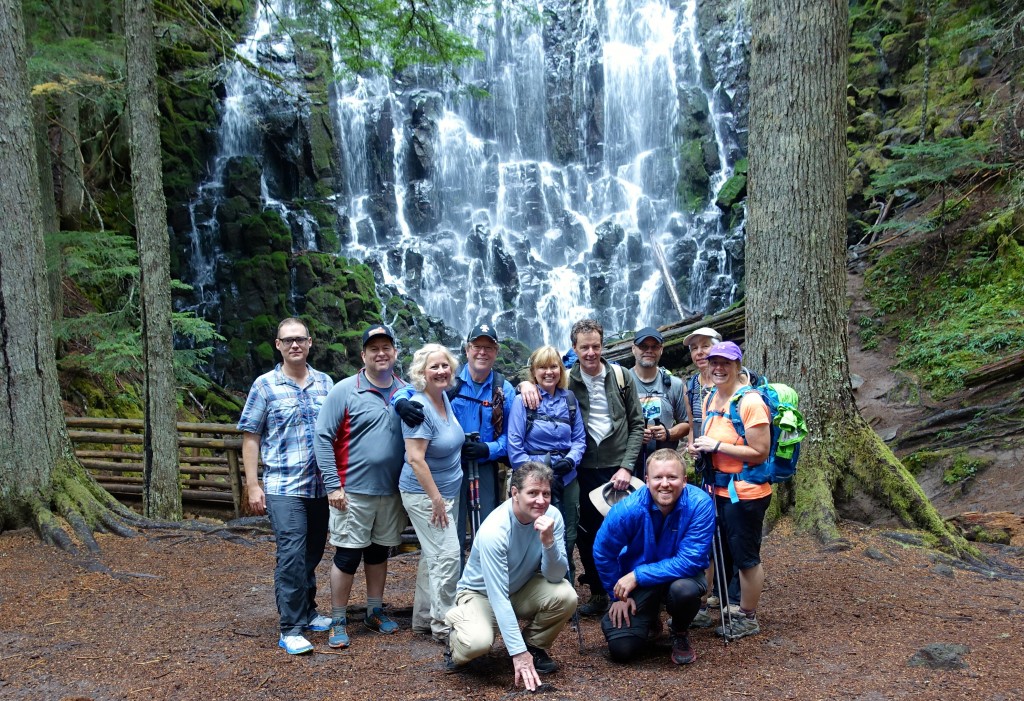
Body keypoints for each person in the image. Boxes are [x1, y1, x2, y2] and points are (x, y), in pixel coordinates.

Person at [238, 317, 335, 655]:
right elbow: (251, 436)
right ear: (277, 345)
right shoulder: (265, 385)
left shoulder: (326, 383)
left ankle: (308, 612)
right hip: (282, 485)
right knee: (292, 554)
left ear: (310, 343)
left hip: (320, 487)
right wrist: (253, 485)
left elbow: (337, 435)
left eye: (300, 339)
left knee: (313, 552)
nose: (295, 344)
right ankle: (290, 627)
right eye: (287, 340)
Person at [313, 324, 408, 650]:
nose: (381, 354)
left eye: (386, 348)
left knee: (379, 552)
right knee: (347, 555)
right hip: (351, 491)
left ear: (395, 352)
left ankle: (374, 610)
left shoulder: (405, 391)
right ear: (363, 354)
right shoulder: (344, 390)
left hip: (390, 491)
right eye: (374, 349)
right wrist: (333, 486)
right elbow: (322, 437)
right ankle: (338, 618)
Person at [443, 462, 578, 691]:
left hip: (520, 586)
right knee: (476, 644)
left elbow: (555, 576)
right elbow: (497, 596)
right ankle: (456, 638)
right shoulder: (494, 530)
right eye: (532, 493)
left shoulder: (551, 516)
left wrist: (548, 543)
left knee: (566, 595)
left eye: (545, 493)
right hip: (481, 594)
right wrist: (517, 655)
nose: (541, 500)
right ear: (515, 493)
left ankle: (533, 645)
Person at [394, 322, 514, 562]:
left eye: (488, 347)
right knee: (452, 528)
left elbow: (512, 438)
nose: (482, 352)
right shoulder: (448, 378)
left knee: (487, 528)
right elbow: (411, 390)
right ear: (467, 349)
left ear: (496, 351)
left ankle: (483, 584)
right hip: (449, 468)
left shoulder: (504, 389)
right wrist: (400, 403)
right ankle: (457, 587)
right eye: (477, 346)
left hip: (485, 465)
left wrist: (488, 449)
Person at [593, 449, 715, 665]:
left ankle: (679, 631)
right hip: (638, 577)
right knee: (622, 650)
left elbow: (691, 561)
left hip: (679, 577)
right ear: (647, 480)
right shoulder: (628, 509)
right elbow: (603, 551)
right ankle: (650, 619)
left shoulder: (699, 504)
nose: (665, 484)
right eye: (658, 477)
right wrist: (616, 595)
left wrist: (638, 576)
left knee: (684, 592)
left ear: (684, 480)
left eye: (672, 477)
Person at [687, 341, 771, 641]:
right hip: (715, 490)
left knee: (745, 556)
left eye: (726, 363)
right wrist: (701, 449)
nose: (719, 368)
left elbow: (760, 452)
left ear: (737, 365)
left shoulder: (749, 402)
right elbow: (713, 439)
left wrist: (718, 446)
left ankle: (747, 617)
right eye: (714, 362)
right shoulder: (712, 397)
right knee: (711, 551)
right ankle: (703, 607)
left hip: (744, 494)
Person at [399, 344, 466, 641]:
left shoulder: (442, 398)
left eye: (444, 366)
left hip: (445, 492)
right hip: (427, 495)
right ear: (421, 374)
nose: (441, 371)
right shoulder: (420, 407)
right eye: (433, 367)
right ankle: (445, 626)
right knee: (449, 557)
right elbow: (415, 458)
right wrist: (436, 499)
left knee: (433, 558)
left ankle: (424, 620)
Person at [506, 345, 587, 583]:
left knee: (568, 532)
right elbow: (515, 449)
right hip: (535, 481)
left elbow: (579, 439)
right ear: (533, 371)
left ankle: (564, 581)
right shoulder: (523, 401)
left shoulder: (569, 400)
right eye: (542, 367)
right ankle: (532, 582)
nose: (548, 372)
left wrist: (570, 460)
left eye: (553, 366)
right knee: (532, 530)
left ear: (561, 370)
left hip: (568, 477)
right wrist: (544, 471)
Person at [629, 326, 689, 477]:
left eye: (654, 346)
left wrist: (668, 433)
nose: (649, 350)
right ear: (633, 349)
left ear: (661, 350)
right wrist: (634, 434)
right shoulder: (622, 381)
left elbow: (686, 424)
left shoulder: (675, 384)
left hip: (664, 466)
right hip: (629, 464)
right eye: (643, 346)